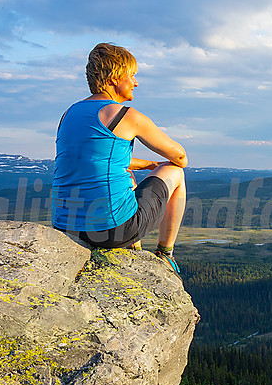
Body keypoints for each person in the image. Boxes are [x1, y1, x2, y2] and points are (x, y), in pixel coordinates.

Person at [51, 43, 187, 273]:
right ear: (115, 77)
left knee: (127, 176)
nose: (136, 82)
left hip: (65, 226)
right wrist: (163, 165)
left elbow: (92, 159)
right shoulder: (125, 116)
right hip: (112, 232)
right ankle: (166, 254)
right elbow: (180, 156)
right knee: (176, 172)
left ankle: (133, 249)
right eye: (132, 75)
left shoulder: (69, 113)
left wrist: (148, 164)